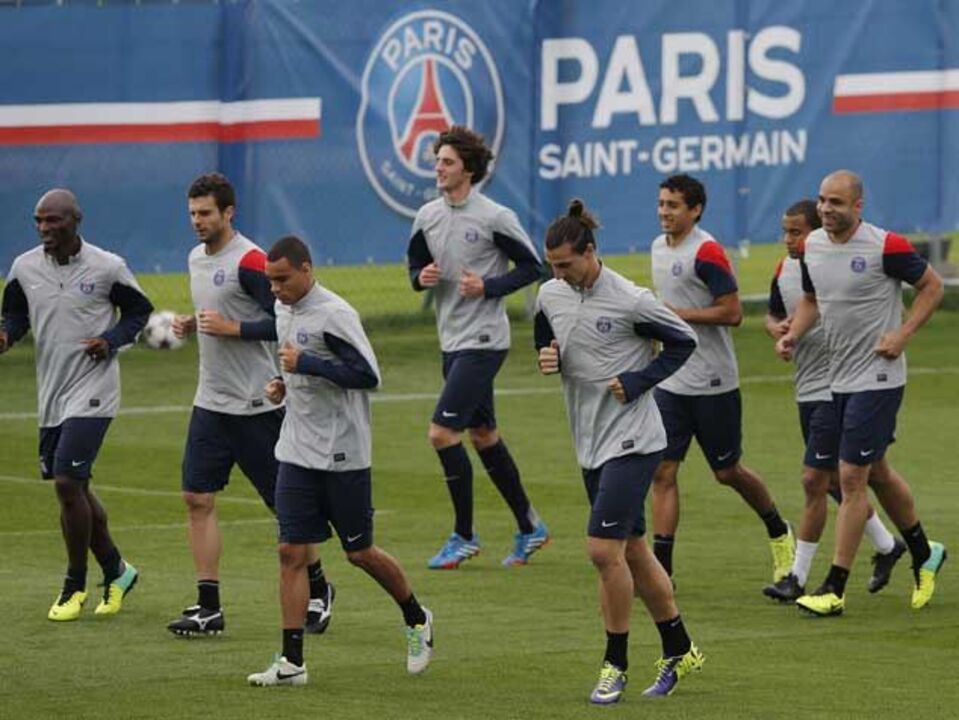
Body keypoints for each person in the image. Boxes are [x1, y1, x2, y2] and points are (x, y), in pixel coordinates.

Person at [536, 199, 704, 704]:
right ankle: (679, 646)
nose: (558, 274)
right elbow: (548, 328)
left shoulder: (631, 300)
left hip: (634, 439)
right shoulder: (550, 293)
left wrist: (638, 380)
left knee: (602, 550)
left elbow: (685, 340)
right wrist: (546, 354)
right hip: (588, 440)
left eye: (566, 264)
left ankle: (615, 664)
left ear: (590, 252)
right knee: (632, 548)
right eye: (552, 265)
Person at [247, 235, 433, 686]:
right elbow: (295, 365)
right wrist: (281, 383)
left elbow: (368, 375)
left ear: (307, 270)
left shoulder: (335, 313)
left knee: (359, 553)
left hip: (343, 453)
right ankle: (292, 663)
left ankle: (416, 618)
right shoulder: (282, 307)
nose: (274, 288)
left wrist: (307, 364)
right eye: (270, 280)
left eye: (282, 279)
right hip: (295, 449)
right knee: (291, 551)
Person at [167, 173, 333, 637]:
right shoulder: (196, 259)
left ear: (229, 213)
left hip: (257, 406)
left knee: (288, 509)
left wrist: (232, 329)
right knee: (197, 497)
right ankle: (208, 607)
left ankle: (319, 589)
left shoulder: (252, 261)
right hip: (211, 403)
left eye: (205, 213)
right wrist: (195, 323)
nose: (198, 222)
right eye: (193, 214)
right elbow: (220, 315)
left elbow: (286, 319)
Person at [776, 170, 946, 616]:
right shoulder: (812, 246)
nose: (828, 209)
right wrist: (794, 333)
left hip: (879, 378)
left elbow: (933, 286)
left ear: (858, 206)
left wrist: (903, 334)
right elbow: (813, 299)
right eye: (822, 201)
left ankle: (834, 587)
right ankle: (924, 551)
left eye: (837, 202)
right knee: (878, 474)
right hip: (838, 380)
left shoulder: (884, 246)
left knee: (850, 477)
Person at [0, 188, 153, 621]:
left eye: (54, 221)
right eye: (39, 221)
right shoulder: (24, 267)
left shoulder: (108, 267)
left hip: (95, 388)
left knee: (67, 482)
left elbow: (139, 313)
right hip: (51, 393)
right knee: (77, 489)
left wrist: (111, 340)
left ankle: (74, 585)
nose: (45, 229)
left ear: (76, 220)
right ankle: (117, 570)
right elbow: (14, 315)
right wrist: (7, 335)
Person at [406, 125, 549, 569]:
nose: (438, 168)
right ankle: (530, 527)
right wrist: (420, 278)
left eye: (446, 162)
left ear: (467, 169)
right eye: (437, 161)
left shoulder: (494, 217)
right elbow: (415, 261)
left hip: (484, 341)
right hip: (451, 339)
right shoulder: (427, 215)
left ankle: (464, 534)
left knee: (441, 433)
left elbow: (532, 268)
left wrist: (488, 285)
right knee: (484, 435)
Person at [649, 173, 794, 586]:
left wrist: (679, 317)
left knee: (727, 472)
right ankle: (663, 570)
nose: (664, 212)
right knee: (663, 471)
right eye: (661, 203)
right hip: (672, 383)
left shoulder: (707, 252)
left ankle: (778, 530)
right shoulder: (659, 247)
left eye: (673, 205)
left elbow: (732, 313)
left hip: (713, 383)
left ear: (694, 210)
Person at [762, 199, 905, 602]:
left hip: (838, 387)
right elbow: (772, 315)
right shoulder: (784, 270)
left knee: (815, 479)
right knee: (841, 481)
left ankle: (799, 577)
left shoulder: (837, 264)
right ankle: (889, 545)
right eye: (785, 232)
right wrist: (782, 330)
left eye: (796, 232)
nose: (789, 240)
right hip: (806, 387)